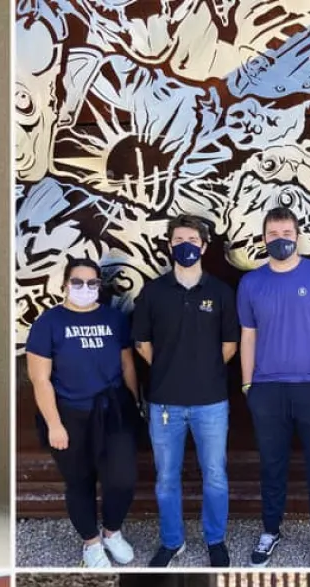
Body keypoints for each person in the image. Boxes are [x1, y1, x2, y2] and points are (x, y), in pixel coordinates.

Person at [236, 207, 310, 567]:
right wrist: (248, 385)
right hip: (268, 389)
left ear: (298, 235)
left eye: (286, 232)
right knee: (271, 466)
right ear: (264, 238)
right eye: (272, 233)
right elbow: (247, 337)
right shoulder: (251, 283)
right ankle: (270, 530)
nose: (280, 239)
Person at [132, 214, 239, 567]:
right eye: (179, 240)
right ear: (169, 245)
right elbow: (142, 343)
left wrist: (201, 371)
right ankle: (172, 541)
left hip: (211, 402)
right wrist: (171, 370)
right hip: (165, 402)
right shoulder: (154, 292)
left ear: (205, 246)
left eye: (192, 240)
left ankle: (215, 540)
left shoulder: (221, 293)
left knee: (215, 475)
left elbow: (229, 345)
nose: (186, 246)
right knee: (166, 478)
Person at [25, 256, 140, 568]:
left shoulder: (114, 319)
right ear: (65, 285)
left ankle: (112, 532)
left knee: (122, 478)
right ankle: (91, 543)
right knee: (80, 481)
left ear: (99, 287)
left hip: (113, 410)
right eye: (77, 282)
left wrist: (135, 402)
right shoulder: (49, 323)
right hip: (70, 414)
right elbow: (40, 378)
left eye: (91, 283)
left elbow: (127, 364)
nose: (84, 288)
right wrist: (54, 425)